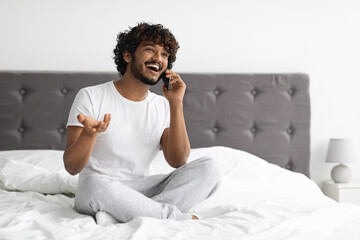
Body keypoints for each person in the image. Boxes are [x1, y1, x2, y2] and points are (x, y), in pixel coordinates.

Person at [63, 22, 221, 224]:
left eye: (165, 54)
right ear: (128, 55)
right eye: (150, 49)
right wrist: (89, 135)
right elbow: (71, 167)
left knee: (210, 167)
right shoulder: (91, 96)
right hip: (101, 187)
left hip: (143, 188)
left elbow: (178, 161)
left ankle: (126, 212)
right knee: (93, 184)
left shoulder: (163, 105)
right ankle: (172, 217)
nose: (158, 58)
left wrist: (176, 103)